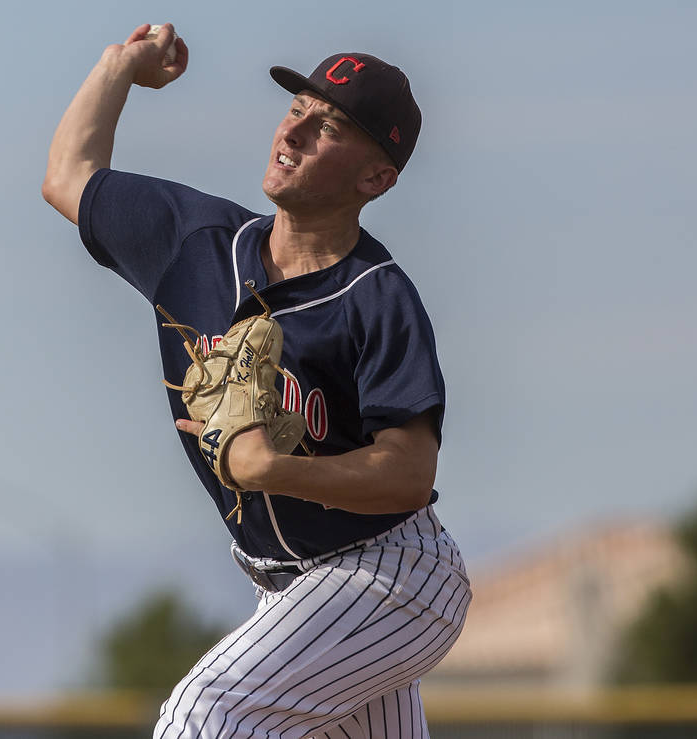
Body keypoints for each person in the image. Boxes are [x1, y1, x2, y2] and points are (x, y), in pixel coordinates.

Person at [43, 23, 471, 738]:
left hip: (393, 576)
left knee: (206, 712)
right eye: (298, 107)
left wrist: (272, 469)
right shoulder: (198, 243)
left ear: (375, 177)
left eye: (329, 126)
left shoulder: (376, 295)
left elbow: (409, 472)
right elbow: (68, 175)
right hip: (286, 588)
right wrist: (119, 67)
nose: (297, 129)